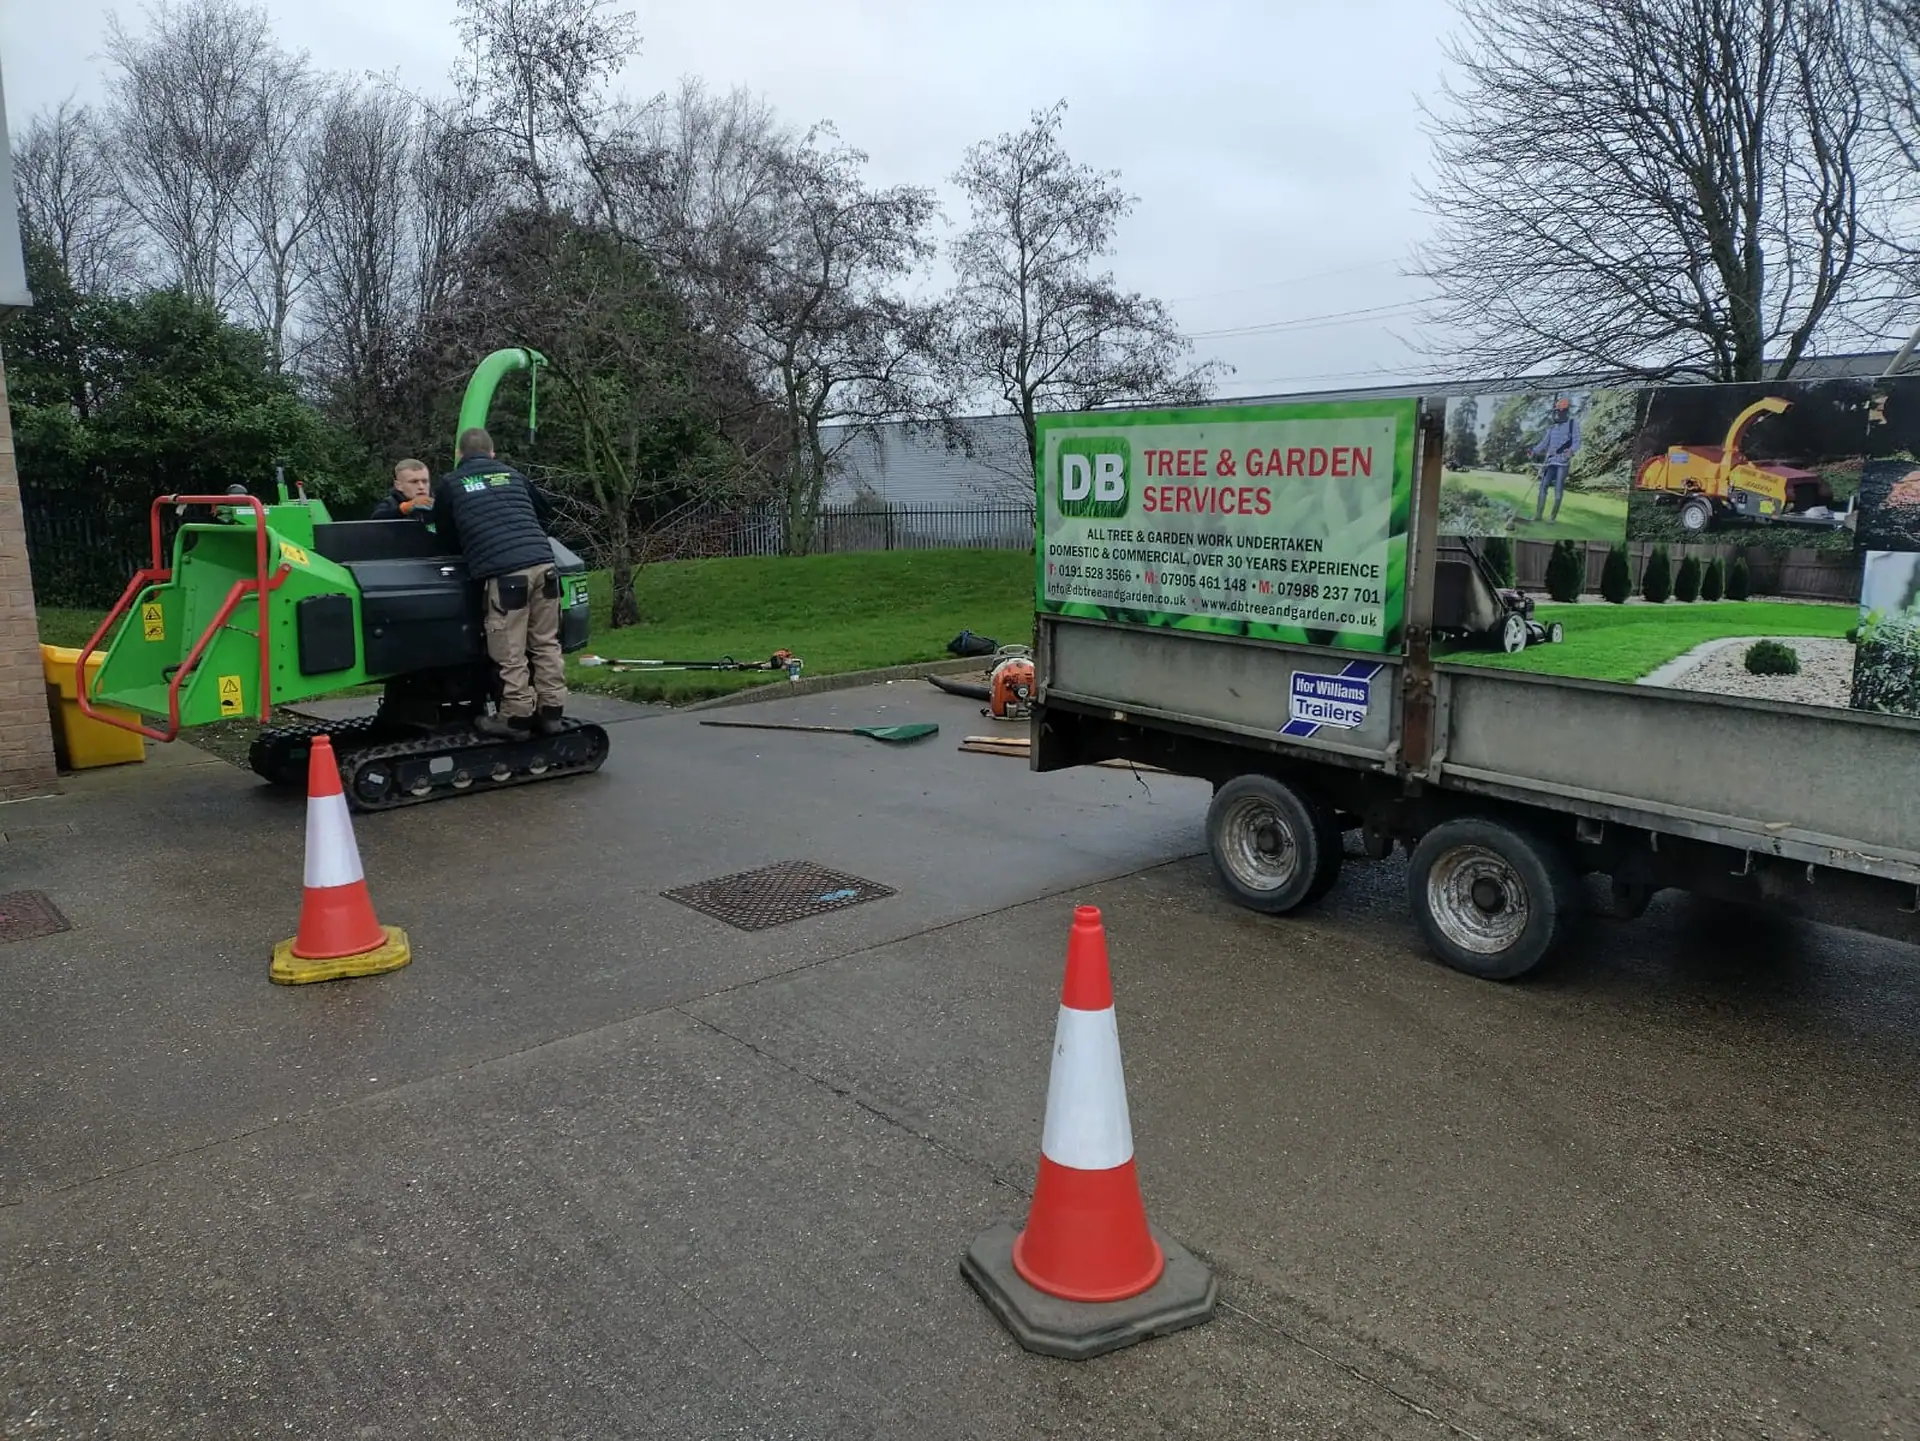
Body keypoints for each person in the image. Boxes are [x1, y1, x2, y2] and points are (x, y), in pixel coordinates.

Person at [431, 427, 569, 739]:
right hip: (545, 565)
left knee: (510, 650)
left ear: (459, 455)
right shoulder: (513, 475)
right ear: (492, 453)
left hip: (506, 575)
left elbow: (444, 535)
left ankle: (517, 716)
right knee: (546, 642)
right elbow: (545, 514)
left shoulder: (452, 483)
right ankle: (552, 711)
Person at [1531, 397, 1582, 523]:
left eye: (1560, 410)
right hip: (1550, 462)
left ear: (1565, 411)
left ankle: (1552, 518)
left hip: (1562, 463)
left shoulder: (1572, 424)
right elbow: (1544, 443)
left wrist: (1571, 451)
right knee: (1543, 487)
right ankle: (1538, 515)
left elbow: (1577, 441)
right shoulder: (1552, 427)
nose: (1558, 413)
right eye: (1557, 411)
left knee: (1558, 491)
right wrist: (1533, 451)